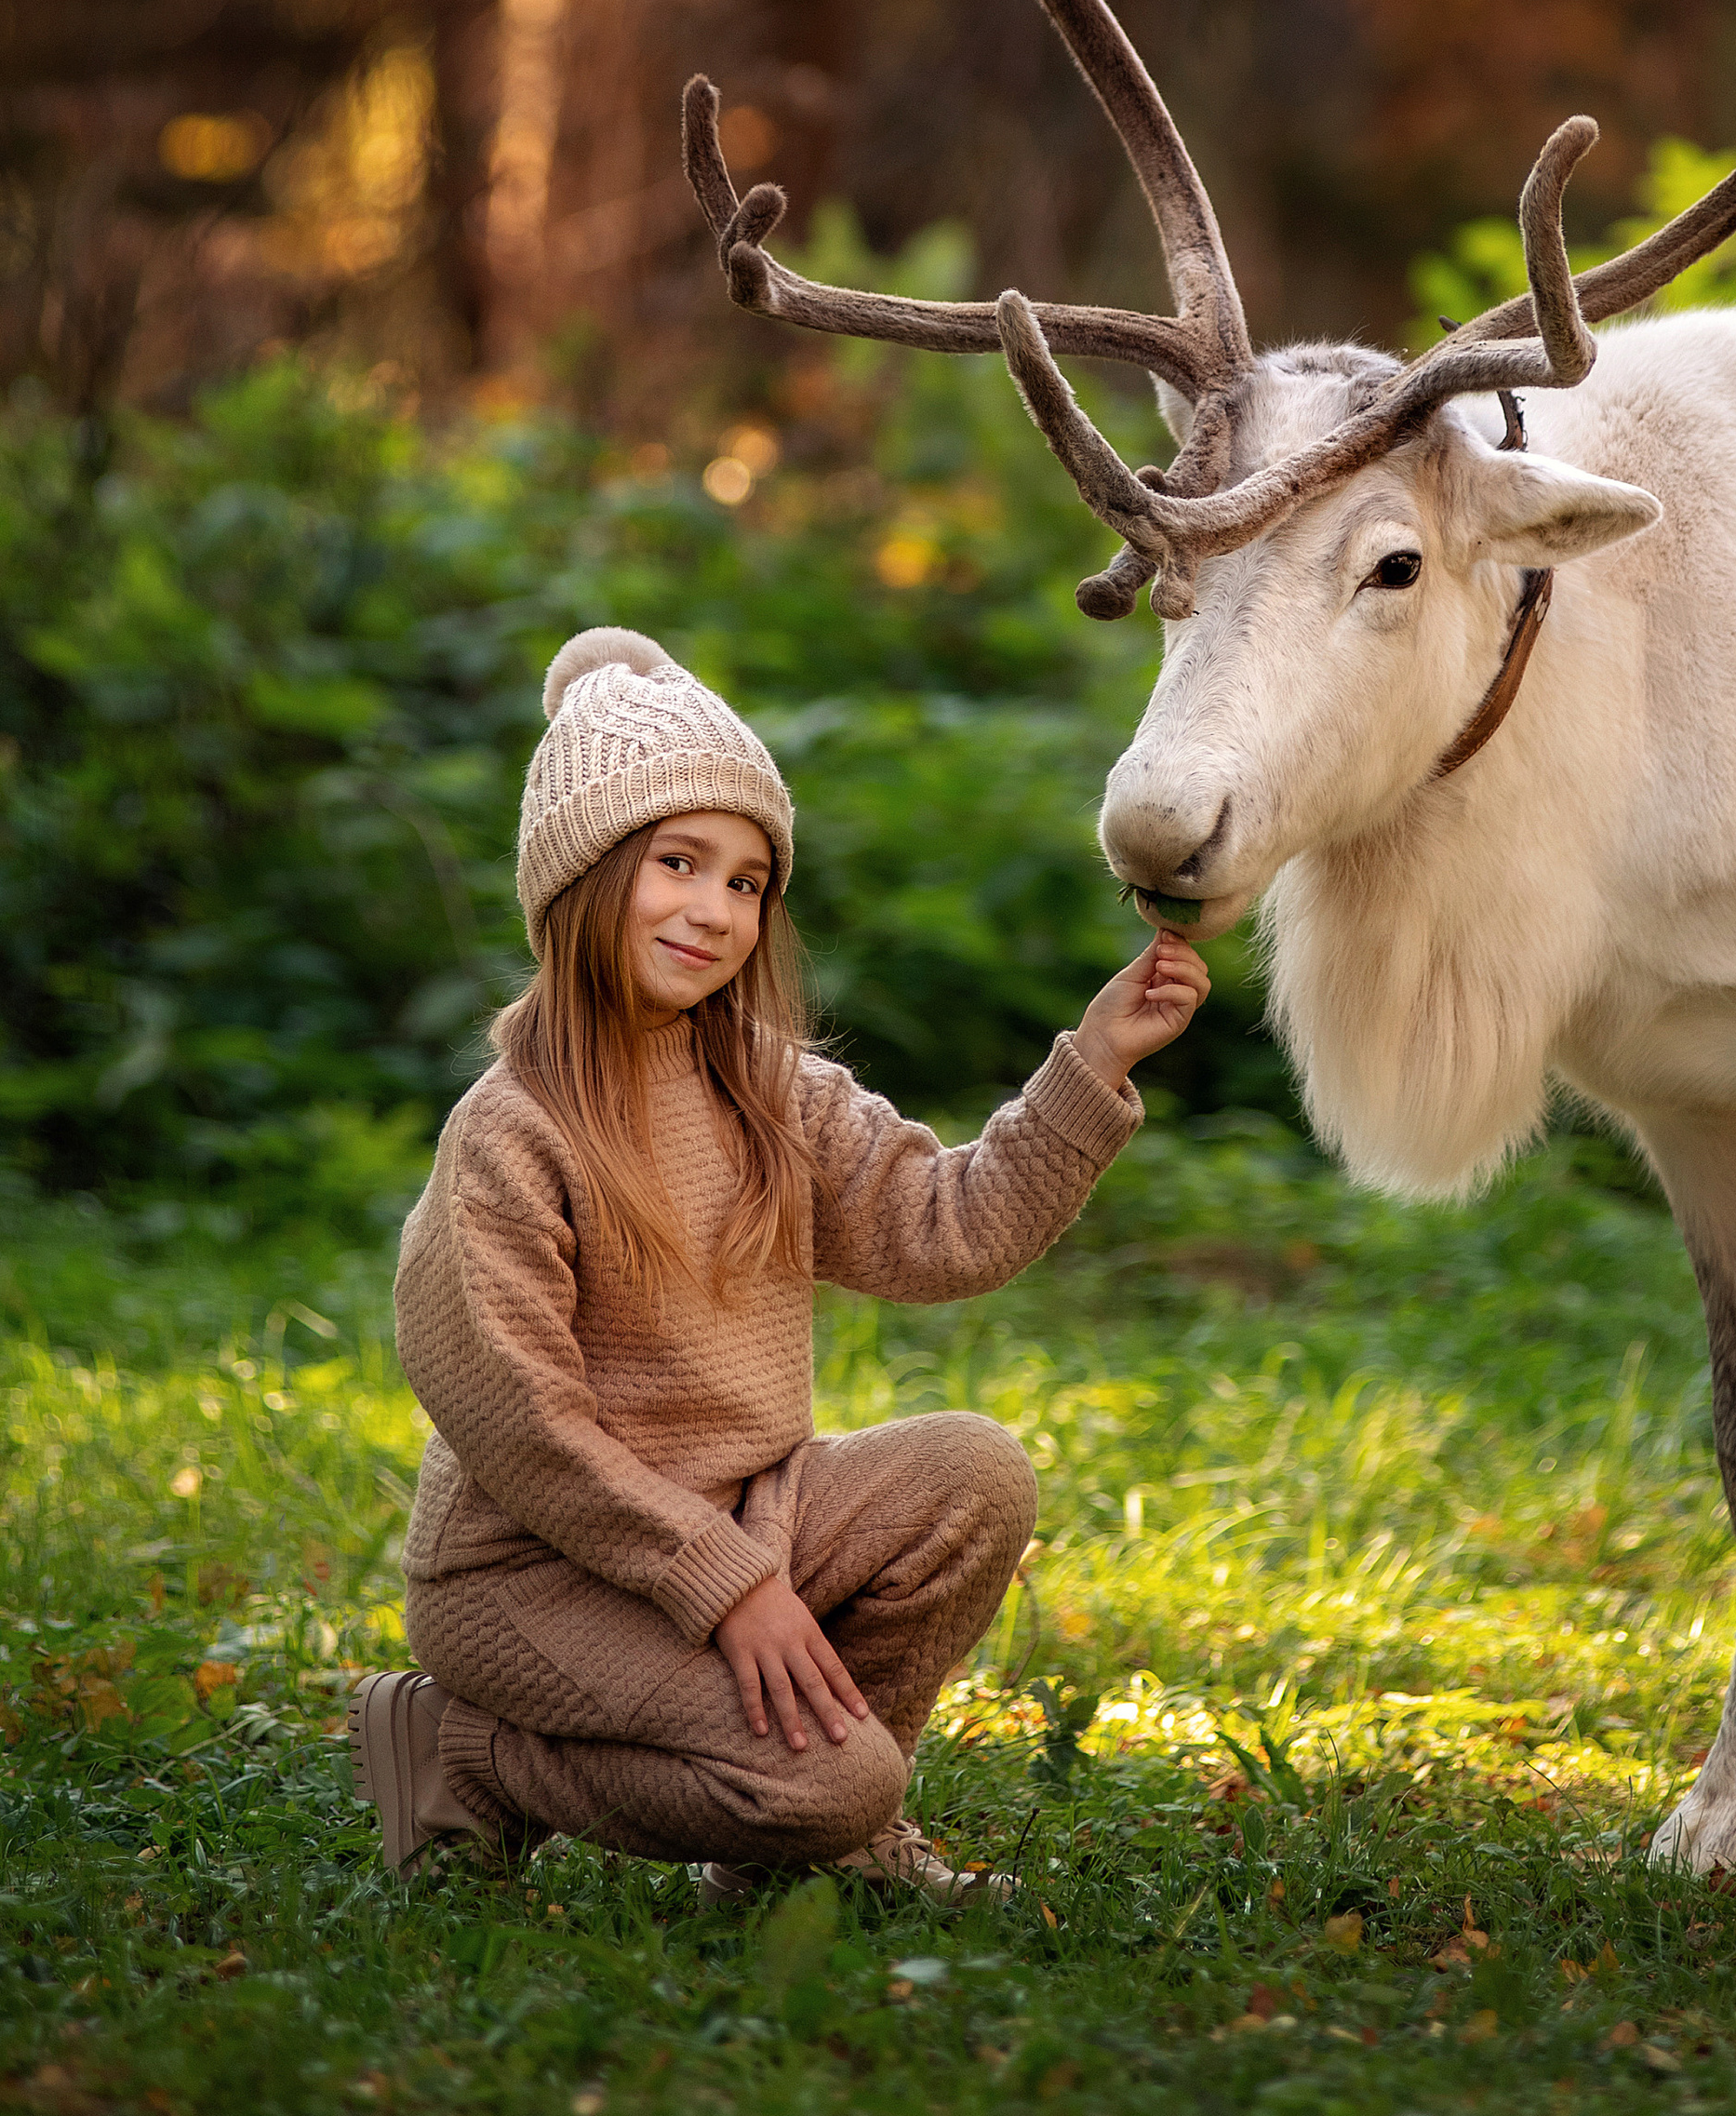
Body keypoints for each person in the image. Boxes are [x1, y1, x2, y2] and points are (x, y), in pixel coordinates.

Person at [347, 623, 1205, 1905]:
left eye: (748, 882)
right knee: (832, 1781)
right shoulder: (511, 1133)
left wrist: (1095, 1062)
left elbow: (946, 1226)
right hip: (533, 1575)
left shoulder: (766, 1090)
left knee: (972, 1472)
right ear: (581, 874)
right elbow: (528, 1431)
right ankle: (469, 1751)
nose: (714, 910)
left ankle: (795, 1854)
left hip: (746, 1521)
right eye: (677, 863)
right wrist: (728, 1587)